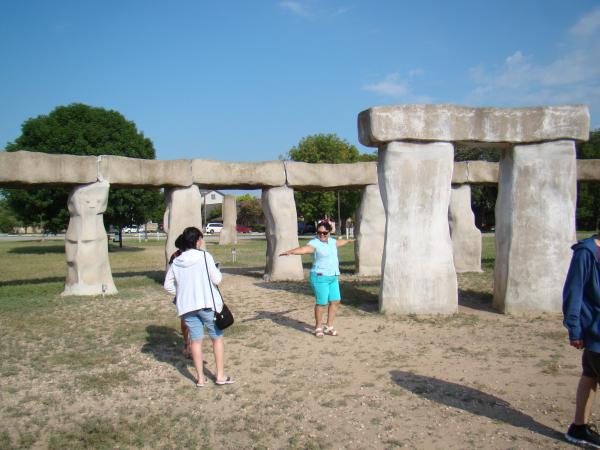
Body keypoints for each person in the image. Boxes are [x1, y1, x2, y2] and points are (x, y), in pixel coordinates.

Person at [164, 227, 234, 387]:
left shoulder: (177, 260)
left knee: (195, 342)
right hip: (206, 304)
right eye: (201, 239)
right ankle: (220, 375)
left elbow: (167, 286)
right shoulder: (204, 256)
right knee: (217, 338)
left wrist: (181, 292)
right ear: (197, 241)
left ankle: (200, 378)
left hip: (187, 307)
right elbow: (217, 279)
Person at [279, 220, 353, 337]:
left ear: (329, 232)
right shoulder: (314, 243)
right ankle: (318, 327)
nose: (322, 235)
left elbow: (339, 242)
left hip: (333, 276)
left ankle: (329, 326)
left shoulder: (332, 242)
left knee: (335, 301)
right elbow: (304, 249)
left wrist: (348, 241)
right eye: (319, 233)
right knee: (322, 303)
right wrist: (291, 252)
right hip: (320, 277)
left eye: (324, 233)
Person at [563, 233, 600, 447]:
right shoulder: (586, 252)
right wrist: (575, 329)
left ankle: (579, 428)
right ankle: (579, 428)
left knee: (590, 374)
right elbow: (573, 292)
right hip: (596, 331)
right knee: (591, 373)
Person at [169, 234, 191, 359]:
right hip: (182, 293)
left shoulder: (196, 255)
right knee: (185, 321)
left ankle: (191, 345)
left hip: (193, 292)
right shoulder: (176, 256)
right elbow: (170, 278)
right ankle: (187, 344)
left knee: (192, 321)